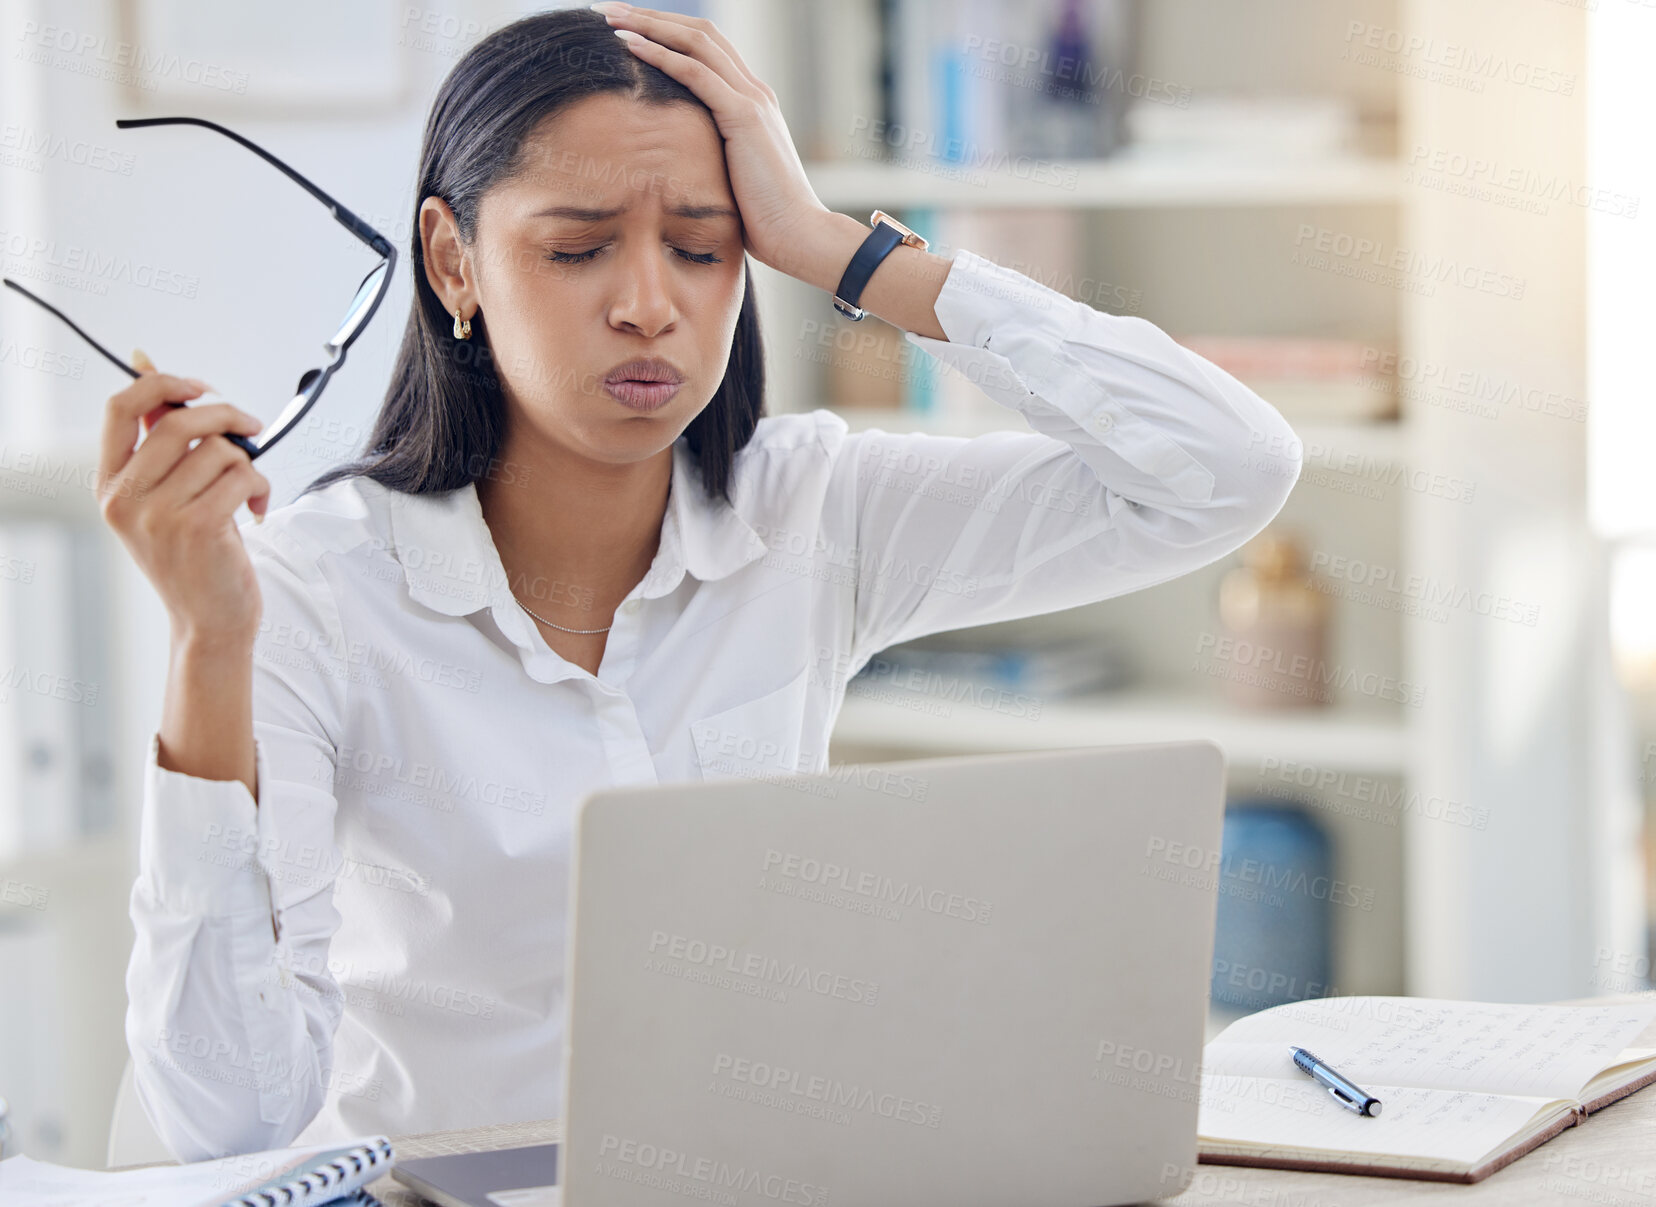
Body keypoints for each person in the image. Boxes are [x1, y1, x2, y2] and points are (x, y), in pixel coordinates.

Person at [105, 5, 1303, 1161]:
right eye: (576, 250)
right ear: (451, 260)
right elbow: (234, 1119)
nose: (648, 306)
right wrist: (208, 645)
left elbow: (1225, 471)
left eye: (702, 247)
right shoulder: (316, 591)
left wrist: (844, 248)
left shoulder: (812, 510)